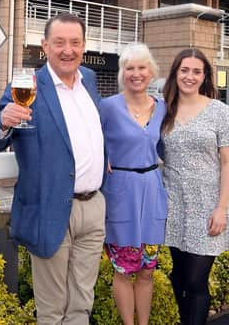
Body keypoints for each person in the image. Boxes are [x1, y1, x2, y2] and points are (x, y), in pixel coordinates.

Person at [0, 12, 105, 324]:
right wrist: (4, 123)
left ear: (84, 45)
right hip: (49, 208)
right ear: (45, 46)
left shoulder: (88, 79)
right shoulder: (26, 85)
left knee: (82, 302)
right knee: (51, 308)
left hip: (93, 207)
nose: (68, 50)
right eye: (59, 42)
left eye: (75, 43)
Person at [160, 48, 229, 325]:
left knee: (195, 280)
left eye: (196, 71)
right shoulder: (163, 109)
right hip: (173, 204)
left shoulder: (220, 111)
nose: (189, 76)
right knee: (179, 276)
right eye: (184, 70)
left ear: (205, 76)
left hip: (207, 205)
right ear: (175, 73)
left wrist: (221, 208)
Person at [100, 44, 168, 325]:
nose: (136, 73)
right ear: (122, 73)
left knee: (147, 270)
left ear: (151, 72)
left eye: (142, 67)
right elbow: (89, 140)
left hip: (152, 192)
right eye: (130, 68)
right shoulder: (108, 107)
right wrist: (102, 157)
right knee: (123, 269)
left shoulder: (163, 108)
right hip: (120, 194)